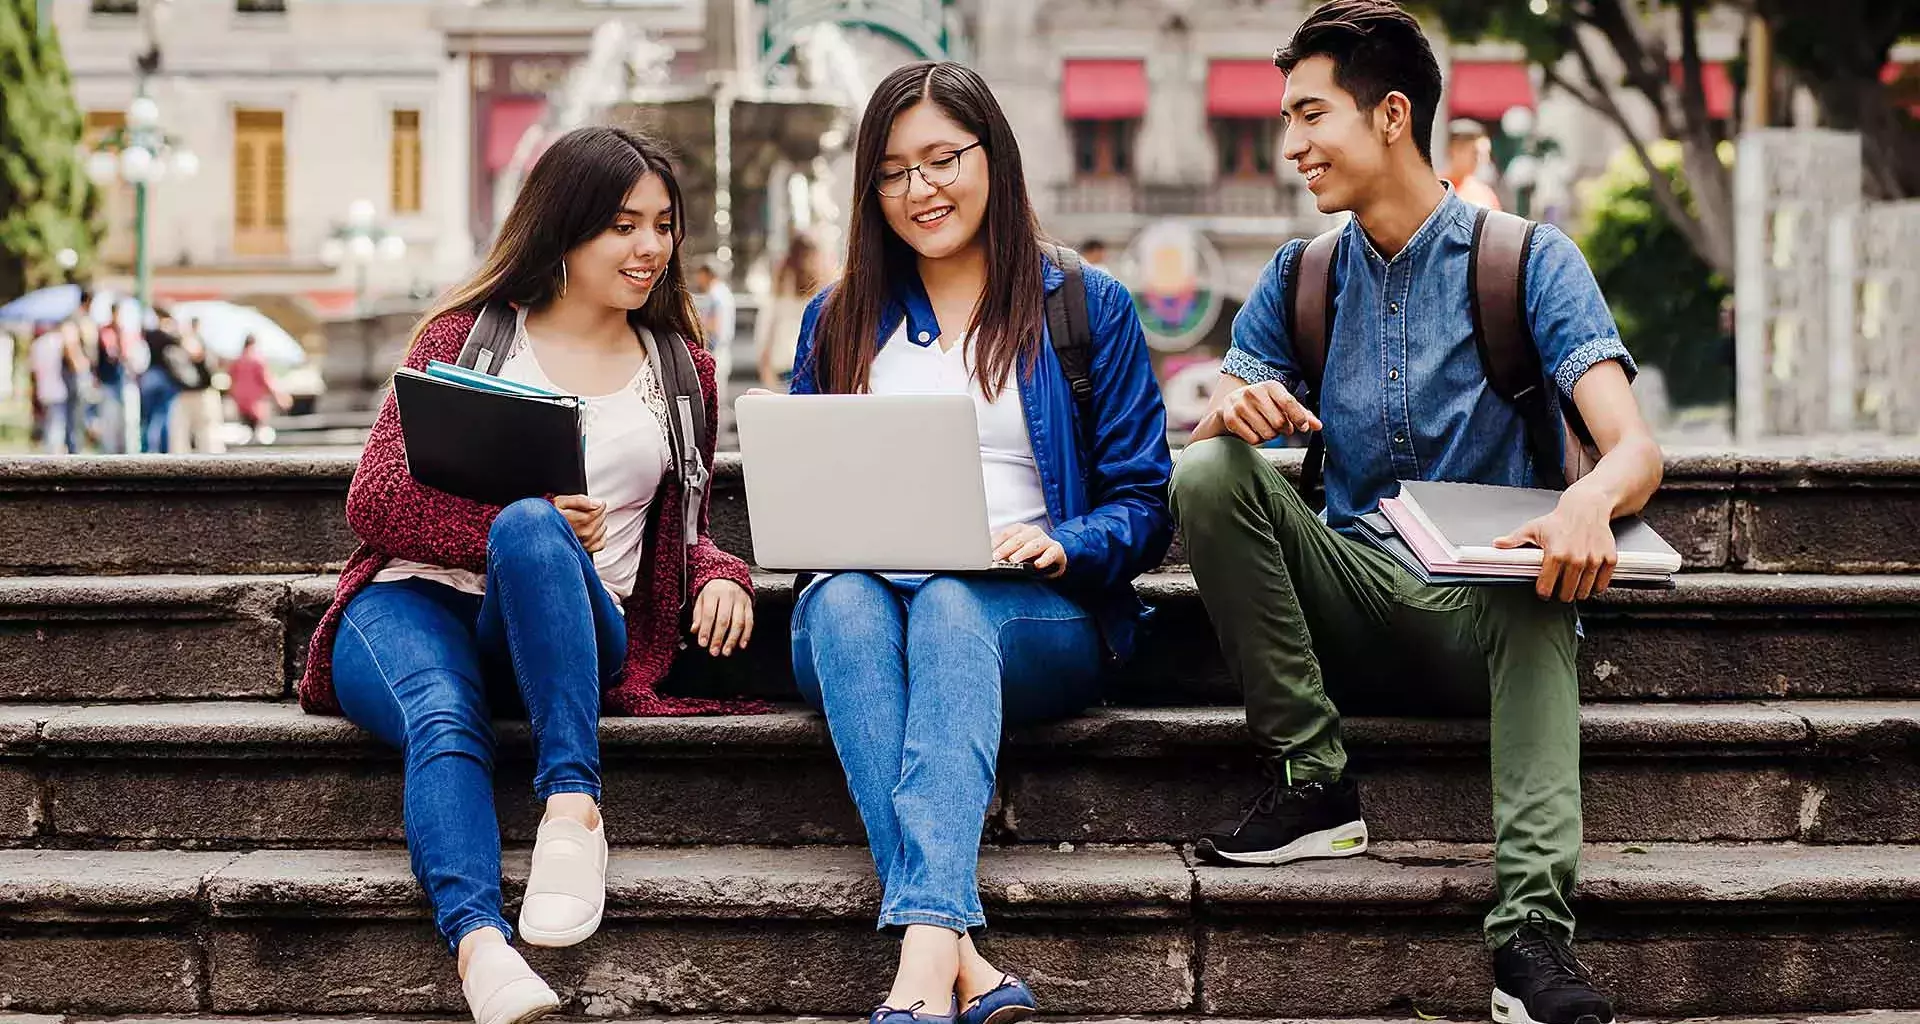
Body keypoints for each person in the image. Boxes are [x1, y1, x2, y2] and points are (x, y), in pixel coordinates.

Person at [1169, 5, 1662, 1024]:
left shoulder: (1528, 260)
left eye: (1312, 115)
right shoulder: (1299, 277)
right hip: (1346, 603)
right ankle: (1318, 784)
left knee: (1536, 579)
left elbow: (1636, 449)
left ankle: (1532, 939)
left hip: (1484, 618)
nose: (1291, 144)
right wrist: (1233, 417)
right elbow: (1225, 443)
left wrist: (1584, 504)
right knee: (1208, 474)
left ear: (1392, 114)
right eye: (1286, 117)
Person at [295, 125, 757, 1024]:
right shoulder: (466, 336)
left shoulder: (682, 370)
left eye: (664, 225)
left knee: (539, 535)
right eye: (624, 225)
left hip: (574, 620)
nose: (650, 248)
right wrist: (509, 517)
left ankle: (573, 811)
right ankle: (479, 947)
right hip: (412, 601)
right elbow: (375, 500)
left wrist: (721, 571)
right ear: (565, 227)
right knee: (444, 708)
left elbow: (689, 526)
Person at [786, 61, 1174, 1024]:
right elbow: (804, 491)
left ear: (992, 157)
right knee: (835, 597)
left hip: (1027, 608)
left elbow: (1143, 499)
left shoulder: (1084, 305)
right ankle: (957, 958)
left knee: (956, 604)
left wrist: (1067, 544)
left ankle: (920, 974)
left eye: (942, 159)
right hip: (862, 607)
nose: (920, 190)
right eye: (891, 171)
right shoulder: (836, 321)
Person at [756, 232, 825, 388]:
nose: (811, 264)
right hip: (787, 373)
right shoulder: (780, 298)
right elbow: (765, 337)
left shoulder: (817, 301)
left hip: (803, 375)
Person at [166, 316, 222, 453]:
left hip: (204, 395)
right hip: (185, 395)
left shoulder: (206, 345)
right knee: (179, 437)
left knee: (209, 437)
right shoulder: (177, 346)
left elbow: (211, 371)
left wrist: (198, 356)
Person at [225, 334, 290, 443]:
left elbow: (231, 380)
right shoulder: (257, 361)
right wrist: (279, 397)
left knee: (246, 431)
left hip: (240, 400)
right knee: (258, 431)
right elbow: (266, 380)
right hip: (255, 402)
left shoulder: (237, 361)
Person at [29, 321, 82, 454]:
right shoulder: (58, 341)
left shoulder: (37, 345)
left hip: (44, 391)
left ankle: (52, 454)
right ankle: (53, 459)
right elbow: (74, 363)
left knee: (51, 425)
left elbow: (33, 372)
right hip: (58, 390)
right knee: (57, 428)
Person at [140, 313, 188, 453]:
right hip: (163, 378)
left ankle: (149, 449)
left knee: (149, 418)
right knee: (162, 416)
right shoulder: (168, 337)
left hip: (149, 377)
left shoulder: (149, 334)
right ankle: (158, 450)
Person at [692, 258, 736, 395]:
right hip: (724, 349)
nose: (697, 279)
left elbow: (714, 324)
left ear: (707, 274)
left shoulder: (715, 295)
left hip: (715, 350)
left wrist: (695, 323)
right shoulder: (724, 292)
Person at [1445, 118, 1503, 210]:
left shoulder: (1485, 195)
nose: (1481, 159)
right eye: (1475, 153)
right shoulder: (1433, 190)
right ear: (1455, 150)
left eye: (1485, 154)